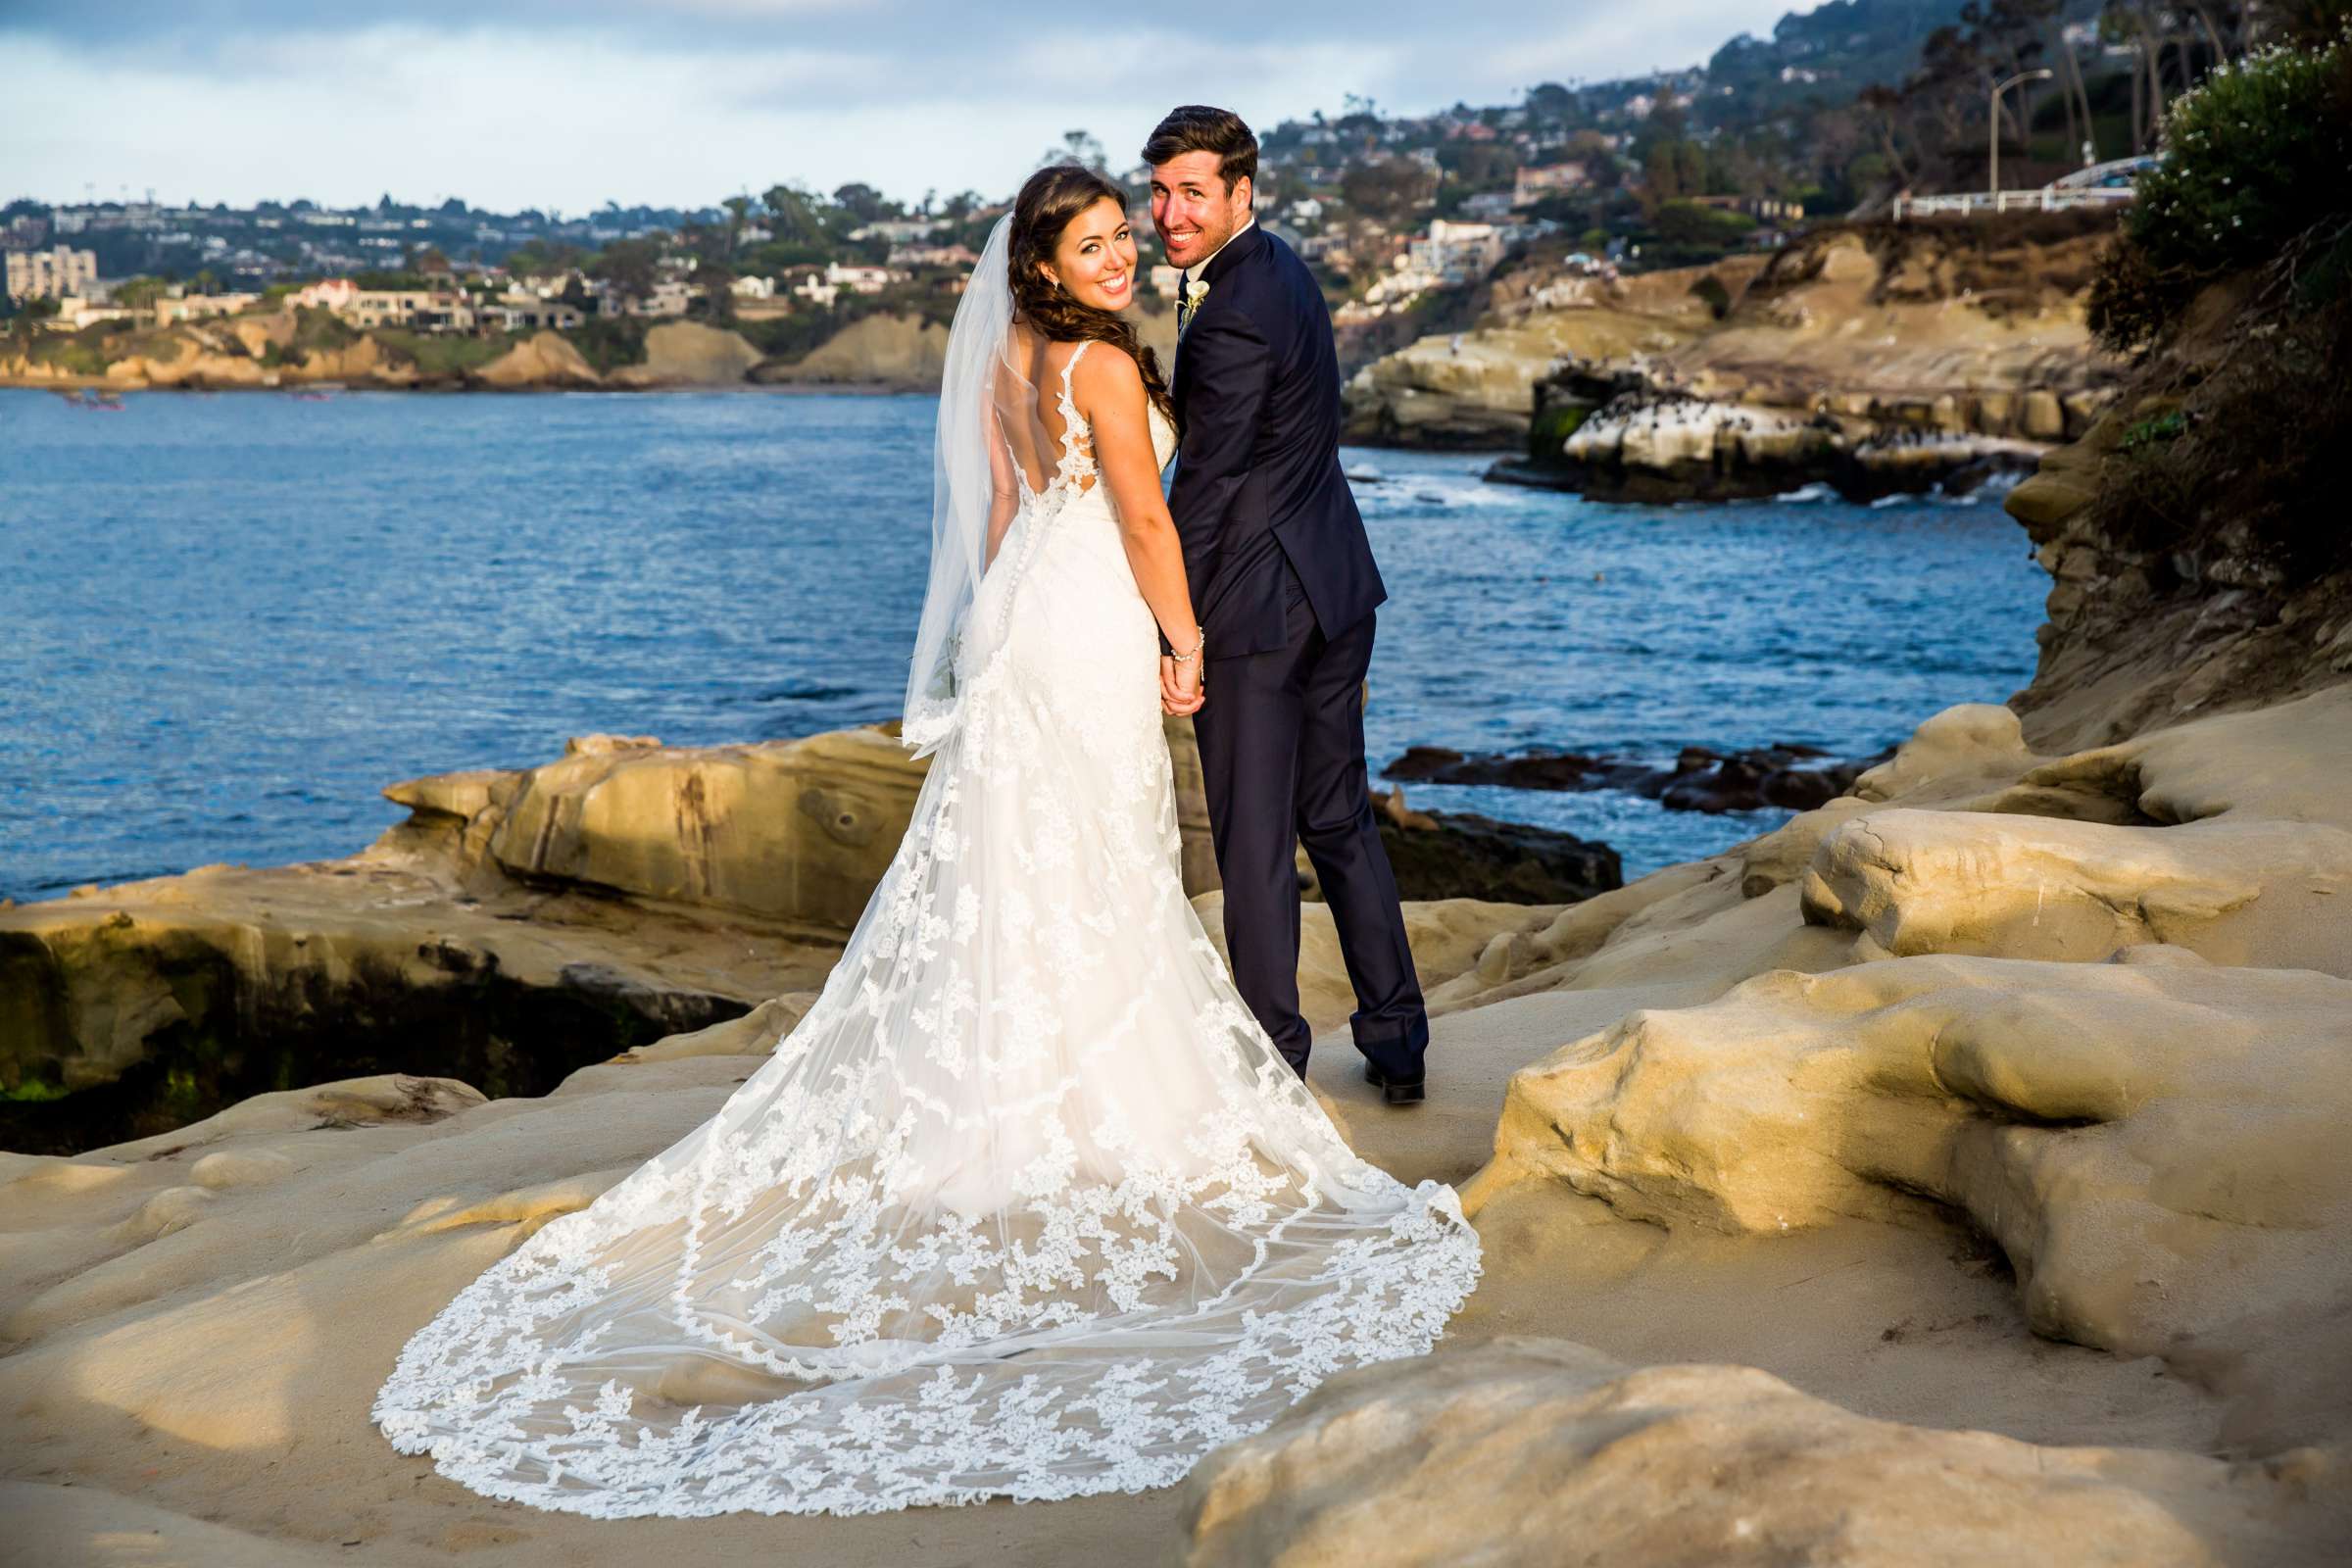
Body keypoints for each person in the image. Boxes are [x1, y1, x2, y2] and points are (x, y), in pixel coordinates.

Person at [370, 163, 1480, 1519]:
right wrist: (1183, 636)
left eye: (1126, 237)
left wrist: (984, 636)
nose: (1124, 257)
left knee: (1015, 859)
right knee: (1098, 856)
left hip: (1021, 615)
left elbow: (1009, 514)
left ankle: (1008, 1073)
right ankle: (1092, 1089)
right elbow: (1140, 517)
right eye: (1096, 244)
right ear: (1048, 261)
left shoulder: (1016, 355)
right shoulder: (1109, 373)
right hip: (1081, 624)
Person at [1147, 106, 1434, 1103]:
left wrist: (1172, 626)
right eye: (1161, 190)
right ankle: (1398, 1042)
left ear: (1240, 192)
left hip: (1259, 610)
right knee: (1340, 817)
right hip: (1337, 584)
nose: (1169, 211)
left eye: (1192, 191)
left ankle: (1273, 1067)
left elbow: (1210, 484)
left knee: (1257, 839)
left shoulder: (1228, 308)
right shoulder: (1288, 276)